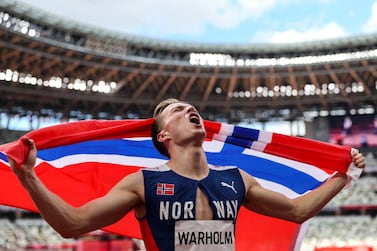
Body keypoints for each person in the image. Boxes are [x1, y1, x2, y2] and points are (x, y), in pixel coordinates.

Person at [8, 98, 366, 251]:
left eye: (191, 109)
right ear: (163, 136)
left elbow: (298, 211)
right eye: (178, 111)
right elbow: (73, 223)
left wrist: (342, 175)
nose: (189, 110)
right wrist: (29, 178)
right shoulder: (142, 183)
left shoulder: (237, 179)